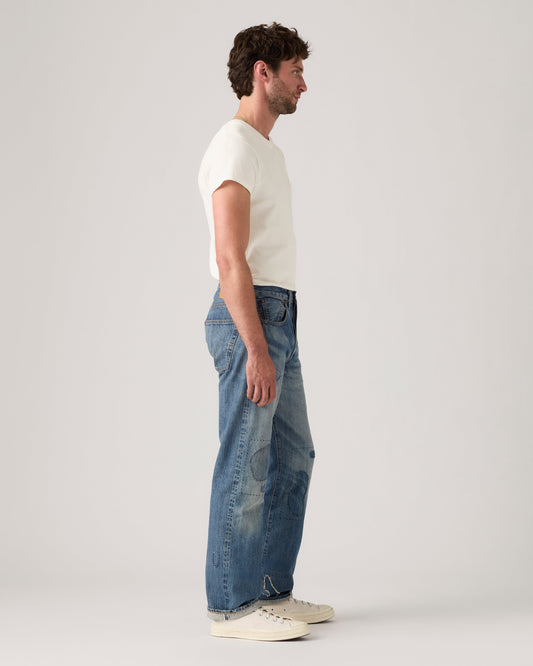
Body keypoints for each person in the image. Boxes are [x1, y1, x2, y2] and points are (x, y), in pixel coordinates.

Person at [197, 22, 334, 641]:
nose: (304, 83)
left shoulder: (265, 150)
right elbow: (231, 259)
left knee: (293, 456)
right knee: (247, 462)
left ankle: (272, 591)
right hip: (249, 316)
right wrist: (255, 346)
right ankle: (232, 607)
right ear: (263, 72)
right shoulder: (233, 145)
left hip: (279, 314)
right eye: (296, 70)